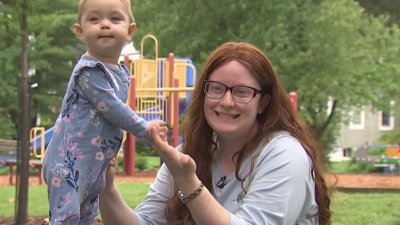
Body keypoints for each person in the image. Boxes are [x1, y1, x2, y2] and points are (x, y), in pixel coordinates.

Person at [99, 41, 332, 225]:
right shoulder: (188, 153)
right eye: (216, 89)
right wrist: (105, 187)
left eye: (242, 92)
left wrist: (187, 181)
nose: (226, 101)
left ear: (263, 102)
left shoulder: (284, 154)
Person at [42, 0, 166, 224]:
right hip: (67, 163)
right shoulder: (89, 71)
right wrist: (144, 129)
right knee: (66, 218)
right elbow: (112, 108)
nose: (105, 24)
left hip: (93, 165)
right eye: (94, 19)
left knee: (87, 215)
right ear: (80, 31)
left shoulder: (121, 73)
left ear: (130, 30)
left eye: (115, 18)